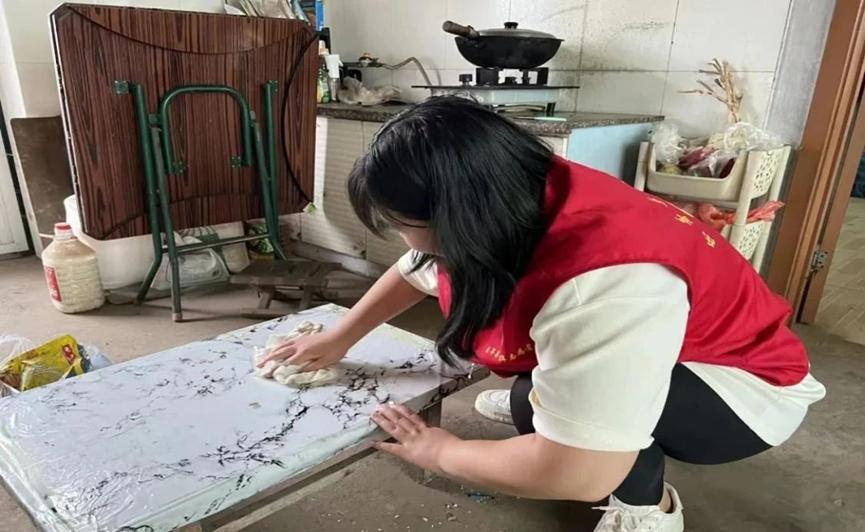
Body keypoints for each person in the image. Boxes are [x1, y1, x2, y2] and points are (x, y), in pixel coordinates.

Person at [259, 96, 826, 532]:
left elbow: (580, 472)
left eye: (399, 224)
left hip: (742, 392)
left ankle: (645, 511)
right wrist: (339, 337)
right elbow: (416, 268)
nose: (402, 239)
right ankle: (565, 413)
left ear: (457, 222)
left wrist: (443, 451)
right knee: (533, 401)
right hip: (674, 341)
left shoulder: (606, 282)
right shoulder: (514, 191)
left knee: (556, 422)